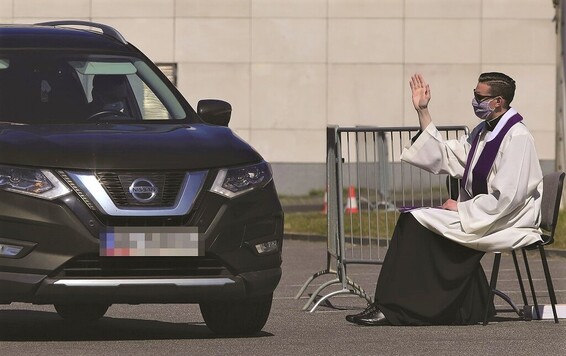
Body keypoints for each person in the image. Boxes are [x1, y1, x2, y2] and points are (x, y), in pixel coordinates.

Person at [345, 72, 544, 326]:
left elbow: (508, 197)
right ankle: (461, 306)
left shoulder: (518, 138)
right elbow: (448, 155)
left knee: (415, 223)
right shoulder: (484, 132)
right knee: (412, 219)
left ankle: (394, 308)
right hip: (483, 214)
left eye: (479, 97)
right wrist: (423, 111)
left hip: (505, 220)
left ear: (498, 101)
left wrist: (462, 208)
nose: (474, 101)